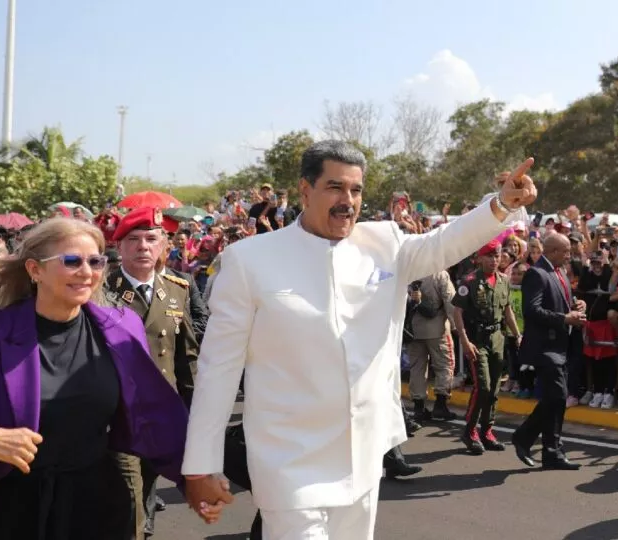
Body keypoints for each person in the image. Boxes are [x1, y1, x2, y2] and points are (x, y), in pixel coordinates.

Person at [181, 140, 536, 538]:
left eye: (356, 190)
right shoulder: (249, 261)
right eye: (335, 187)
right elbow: (219, 370)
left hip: (363, 460)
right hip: (289, 463)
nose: (347, 200)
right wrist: (200, 464)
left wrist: (501, 205)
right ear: (305, 190)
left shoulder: (383, 245)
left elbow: (444, 243)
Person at [0, 218, 192, 539]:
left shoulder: (122, 326)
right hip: (4, 507)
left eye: (95, 261)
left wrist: (192, 477)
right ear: (35, 270)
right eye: (71, 261)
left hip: (96, 507)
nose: (86, 272)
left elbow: (154, 411)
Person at [107, 206, 200, 538]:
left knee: (146, 495)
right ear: (119, 247)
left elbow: (185, 360)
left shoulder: (177, 289)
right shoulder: (101, 289)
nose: (143, 247)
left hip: (161, 417)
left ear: (164, 245)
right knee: (127, 501)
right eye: (133, 239)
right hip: (117, 418)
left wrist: (196, 419)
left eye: (151, 239)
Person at [511, 233, 587, 470]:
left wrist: (576, 305)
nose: (569, 256)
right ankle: (524, 436)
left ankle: (551, 452)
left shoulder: (560, 271)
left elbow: (561, 300)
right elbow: (532, 310)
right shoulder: (536, 273)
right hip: (544, 347)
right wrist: (564, 318)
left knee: (556, 400)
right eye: (565, 252)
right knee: (556, 397)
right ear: (553, 251)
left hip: (561, 346)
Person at [453, 240, 520, 454]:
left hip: (497, 338)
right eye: (490, 256)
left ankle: (487, 430)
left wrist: (517, 334)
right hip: (477, 339)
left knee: (493, 389)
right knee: (482, 386)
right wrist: (464, 340)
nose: (494, 260)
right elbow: (457, 312)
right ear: (480, 258)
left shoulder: (503, 281)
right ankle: (470, 430)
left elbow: (507, 309)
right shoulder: (469, 282)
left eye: (497, 256)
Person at [406, 269, 458, 423]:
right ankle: (440, 405)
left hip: (412, 330)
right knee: (445, 366)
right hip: (438, 330)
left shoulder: (409, 272)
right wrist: (456, 326)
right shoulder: (439, 274)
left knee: (417, 368)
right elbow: (450, 301)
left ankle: (419, 407)